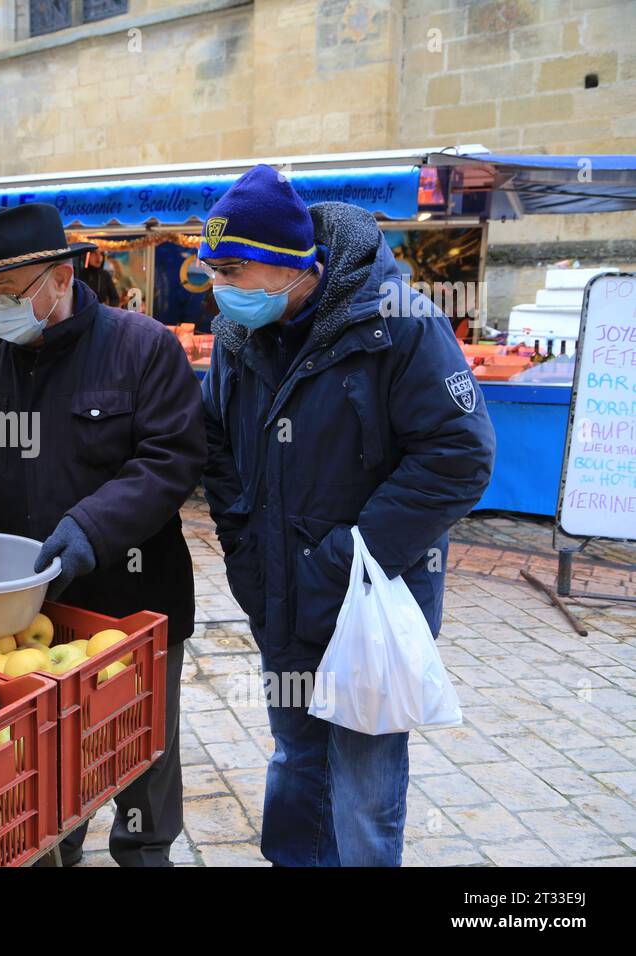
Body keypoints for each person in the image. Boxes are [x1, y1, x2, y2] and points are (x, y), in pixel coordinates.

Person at [197, 164, 495, 866]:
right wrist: (243, 549)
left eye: (234, 269)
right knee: (296, 758)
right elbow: (216, 444)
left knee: (362, 784)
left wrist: (347, 555)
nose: (220, 289)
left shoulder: (401, 324)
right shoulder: (240, 337)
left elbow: (459, 454)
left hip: (370, 603)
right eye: (212, 270)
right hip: (278, 596)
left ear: (292, 264)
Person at [0, 202, 207, 866]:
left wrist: (91, 525)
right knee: (48, 754)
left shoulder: (140, 347)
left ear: (61, 280)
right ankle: (57, 844)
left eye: (11, 293)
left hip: (135, 601)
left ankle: (144, 852)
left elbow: (171, 460)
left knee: (142, 750)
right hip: (34, 609)